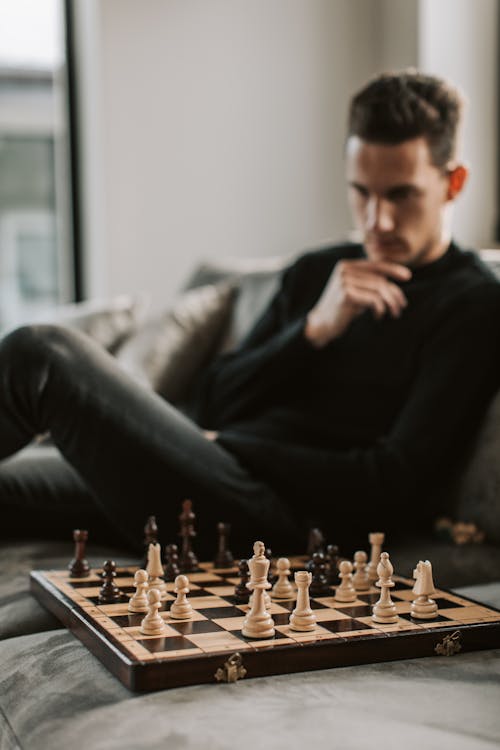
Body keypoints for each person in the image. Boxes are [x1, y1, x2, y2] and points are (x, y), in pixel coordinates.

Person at [1, 69, 499, 556]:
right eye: (361, 192)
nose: (376, 220)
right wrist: (311, 332)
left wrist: (233, 447)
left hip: (281, 518)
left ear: (453, 182)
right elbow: (216, 398)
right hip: (203, 475)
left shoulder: (472, 304)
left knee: (41, 355)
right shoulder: (318, 273)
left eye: (400, 194)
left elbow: (393, 480)